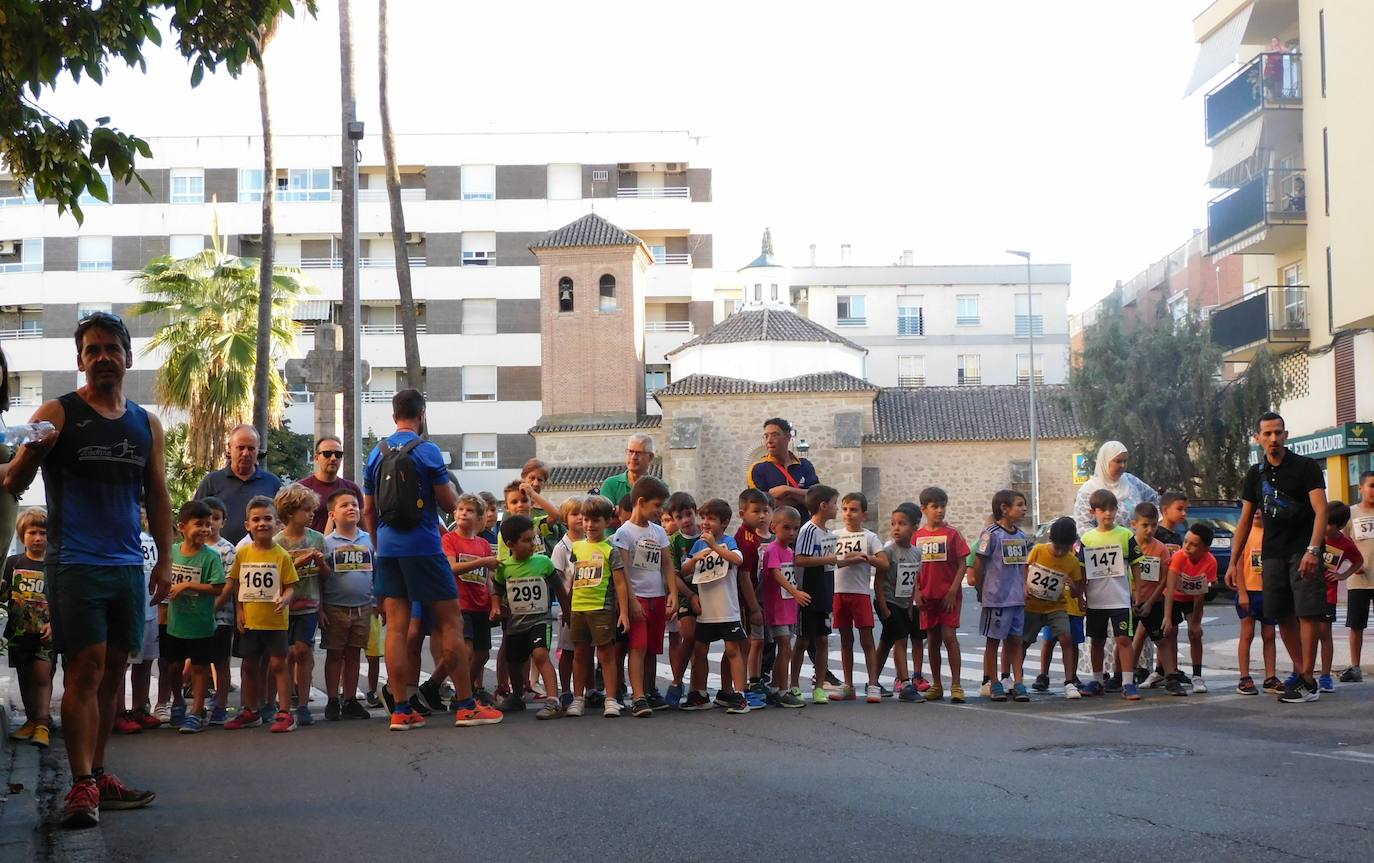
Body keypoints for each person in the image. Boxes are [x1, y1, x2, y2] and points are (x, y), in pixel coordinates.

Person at [3, 311, 171, 828]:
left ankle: (99, 776)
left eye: (111, 349)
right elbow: (13, 481)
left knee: (114, 671)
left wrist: (165, 558)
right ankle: (80, 785)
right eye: (92, 350)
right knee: (86, 668)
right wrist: (35, 449)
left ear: (127, 357)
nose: (102, 358)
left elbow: (158, 494)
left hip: (127, 565)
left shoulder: (146, 422)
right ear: (80, 360)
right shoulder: (59, 411)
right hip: (74, 563)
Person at [363, 389, 501, 729]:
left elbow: (368, 509)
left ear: (394, 415)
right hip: (425, 547)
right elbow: (447, 502)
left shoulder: (375, 454)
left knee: (395, 629)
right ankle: (467, 705)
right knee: (451, 622)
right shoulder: (427, 452)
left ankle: (400, 709)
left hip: (390, 551)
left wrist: (381, 546)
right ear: (422, 414)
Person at [1227, 412, 1329, 705]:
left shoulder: (1306, 467)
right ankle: (1301, 673)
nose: (1273, 439)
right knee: (1282, 613)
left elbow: (1321, 510)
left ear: (1286, 435)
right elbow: (1245, 519)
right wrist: (1233, 562)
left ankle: (1309, 678)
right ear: (1258, 438)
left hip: (1303, 550)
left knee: (1307, 612)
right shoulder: (1254, 473)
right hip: (1272, 553)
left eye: (1278, 433)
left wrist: (1313, 549)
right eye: (1267, 434)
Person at [223, 496, 298, 732]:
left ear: (277, 524)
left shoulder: (282, 555)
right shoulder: (243, 553)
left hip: (275, 621)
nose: (262, 524)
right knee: (249, 666)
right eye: (256, 519)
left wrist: (285, 598)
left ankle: (285, 713)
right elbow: (237, 584)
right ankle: (250, 710)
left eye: (267, 519)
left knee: (278, 665)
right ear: (248, 525)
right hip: (251, 621)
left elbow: (290, 586)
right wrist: (239, 611)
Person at [491, 514, 568, 721]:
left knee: (541, 654)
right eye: (526, 540)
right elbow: (496, 590)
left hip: (540, 620)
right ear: (510, 544)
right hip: (515, 624)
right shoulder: (504, 568)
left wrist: (568, 613)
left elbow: (560, 590)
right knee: (514, 661)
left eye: (533, 539)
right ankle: (517, 696)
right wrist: (496, 606)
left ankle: (553, 700)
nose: (533, 544)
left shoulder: (543, 563)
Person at [612, 476, 677, 717]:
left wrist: (672, 592)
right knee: (637, 647)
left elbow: (667, 563)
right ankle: (637, 696)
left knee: (652, 648)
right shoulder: (624, 533)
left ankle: (649, 689)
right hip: (638, 597)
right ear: (641, 502)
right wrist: (631, 601)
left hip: (657, 596)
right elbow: (623, 571)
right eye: (657, 506)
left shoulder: (659, 532)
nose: (660, 511)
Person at [683, 498, 752, 714]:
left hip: (727, 608)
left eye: (711, 518)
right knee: (700, 649)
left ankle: (739, 695)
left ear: (724, 522)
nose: (705, 522)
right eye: (703, 518)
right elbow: (684, 569)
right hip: (706, 610)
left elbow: (738, 560)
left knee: (732, 649)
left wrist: (714, 546)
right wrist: (695, 560)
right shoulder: (697, 544)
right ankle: (701, 694)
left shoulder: (729, 541)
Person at [162, 500, 226, 735]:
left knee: (199, 669)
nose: (206, 530)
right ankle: (178, 702)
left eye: (208, 525)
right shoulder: (173, 553)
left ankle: (197, 712)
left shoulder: (211, 557)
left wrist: (189, 584)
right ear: (182, 527)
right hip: (175, 624)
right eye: (199, 524)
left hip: (201, 625)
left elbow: (218, 587)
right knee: (174, 666)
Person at [564, 495, 630, 718]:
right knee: (580, 654)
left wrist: (624, 613)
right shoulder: (577, 547)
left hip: (602, 609)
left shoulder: (610, 549)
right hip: (578, 609)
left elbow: (620, 583)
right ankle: (578, 698)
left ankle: (611, 699)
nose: (590, 525)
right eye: (586, 520)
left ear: (607, 522)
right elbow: (573, 578)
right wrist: (567, 606)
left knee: (606, 654)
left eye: (596, 520)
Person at [271, 483, 328, 727]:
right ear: (291, 512)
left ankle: (303, 703)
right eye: (307, 510)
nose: (312, 514)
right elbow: (277, 576)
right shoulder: (277, 543)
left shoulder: (317, 539)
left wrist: (321, 564)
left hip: (310, 605)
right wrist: (304, 560)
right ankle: (283, 702)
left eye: (313, 509)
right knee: (284, 656)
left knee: (304, 652)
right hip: (283, 607)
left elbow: (326, 576)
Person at [1079, 489, 1144, 699]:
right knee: (1096, 640)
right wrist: (1081, 596)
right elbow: (1081, 570)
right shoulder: (1087, 539)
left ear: (1117, 510)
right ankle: (1097, 680)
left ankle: (1127, 681)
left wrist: (1138, 591)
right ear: (1093, 512)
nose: (1108, 513)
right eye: (1103, 510)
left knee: (1123, 639)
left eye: (1112, 509)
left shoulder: (1125, 535)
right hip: (1096, 600)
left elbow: (1135, 565)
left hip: (1120, 599)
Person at [791, 485, 852, 705]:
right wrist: (828, 560)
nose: (837, 508)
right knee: (803, 640)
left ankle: (819, 687)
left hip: (826, 591)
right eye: (835, 503)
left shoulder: (829, 534)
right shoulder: (808, 530)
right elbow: (800, 559)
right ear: (823, 505)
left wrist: (852, 558)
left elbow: (832, 562)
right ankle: (795, 684)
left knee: (823, 639)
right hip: (809, 591)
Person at [969, 490, 1031, 703]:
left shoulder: (1022, 536)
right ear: (1004, 508)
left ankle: (1018, 681)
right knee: (993, 641)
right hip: (996, 597)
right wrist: (981, 587)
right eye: (1020, 505)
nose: (1024, 509)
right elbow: (979, 562)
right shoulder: (991, 534)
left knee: (1015, 641)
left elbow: (1023, 566)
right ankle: (993, 681)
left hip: (1016, 598)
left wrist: (1024, 587)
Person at [440, 493, 500, 710]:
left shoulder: (483, 544)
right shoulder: (449, 539)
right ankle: (463, 694)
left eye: (470, 510)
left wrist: (494, 603)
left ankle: (465, 691)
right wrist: (483, 561)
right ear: (454, 513)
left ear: (479, 518)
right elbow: (452, 568)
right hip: (460, 603)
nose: (464, 513)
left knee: (482, 653)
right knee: (465, 650)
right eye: (461, 509)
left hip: (481, 604)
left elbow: (488, 579)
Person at [320, 488, 375, 720]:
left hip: (363, 607)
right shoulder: (326, 543)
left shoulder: (369, 540)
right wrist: (321, 607)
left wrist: (377, 600)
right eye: (344, 505)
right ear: (332, 515)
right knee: (335, 654)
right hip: (335, 607)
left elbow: (376, 572)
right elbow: (319, 578)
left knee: (354, 654)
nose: (351, 508)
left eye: (354, 504)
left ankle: (350, 699)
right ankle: (333, 699)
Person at [3, 508, 54, 747]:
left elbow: (63, 598)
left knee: (43, 674)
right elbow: (4, 596)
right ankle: (31, 720)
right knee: (24, 675)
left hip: (46, 632)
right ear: (22, 535)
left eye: (43, 533)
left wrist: (55, 624)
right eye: (32, 532)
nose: (38, 538)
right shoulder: (13, 563)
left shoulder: (54, 566)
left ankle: (43, 723)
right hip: (19, 631)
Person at [916, 487, 970, 703]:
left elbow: (963, 563)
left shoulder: (952, 534)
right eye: (934, 507)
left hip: (949, 596)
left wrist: (953, 590)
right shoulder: (917, 537)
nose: (939, 511)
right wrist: (916, 591)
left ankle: (956, 684)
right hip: (927, 597)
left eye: (942, 506)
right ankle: (937, 684)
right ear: (924, 509)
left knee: (949, 637)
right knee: (933, 639)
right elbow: (911, 566)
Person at [831, 492, 886, 702]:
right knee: (846, 640)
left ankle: (873, 684)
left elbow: (884, 563)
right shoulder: (835, 535)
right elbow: (828, 560)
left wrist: (867, 558)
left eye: (854, 510)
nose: (848, 514)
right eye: (845, 509)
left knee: (866, 640)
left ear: (864, 514)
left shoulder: (870, 537)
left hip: (860, 593)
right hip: (839, 592)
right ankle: (848, 685)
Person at [1023, 517, 1085, 699]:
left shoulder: (1072, 561)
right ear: (1051, 540)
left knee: (1066, 637)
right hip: (1033, 605)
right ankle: (1017, 678)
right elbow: (1025, 568)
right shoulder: (1039, 550)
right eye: (1057, 547)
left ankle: (1069, 681)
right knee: (1024, 642)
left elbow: (1076, 591)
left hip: (1056, 606)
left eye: (1064, 549)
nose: (1059, 552)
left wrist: (1072, 584)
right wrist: (1024, 586)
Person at [193, 424, 283, 546]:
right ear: (230, 448)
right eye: (240, 448)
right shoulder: (211, 482)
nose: (245, 453)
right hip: (218, 558)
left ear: (258, 450)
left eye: (251, 448)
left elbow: (283, 522)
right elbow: (193, 519)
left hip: (260, 559)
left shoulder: (272, 483)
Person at [1128, 503, 1184, 694]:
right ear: (1134, 524)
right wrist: (1132, 596)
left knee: (1161, 639)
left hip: (1152, 601)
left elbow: (1163, 579)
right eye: (1145, 525)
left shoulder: (1160, 549)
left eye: (1153, 525)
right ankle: (1124, 677)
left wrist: (1150, 602)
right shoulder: (1128, 545)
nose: (1150, 530)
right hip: (1130, 600)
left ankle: (1171, 677)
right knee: (1126, 640)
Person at [1163, 523, 1218, 695]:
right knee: (1169, 631)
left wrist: (1196, 621)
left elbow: (1200, 595)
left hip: (1192, 598)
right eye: (1186, 541)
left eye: (1193, 544)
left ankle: (1197, 675)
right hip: (1173, 597)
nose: (1187, 547)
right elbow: (1170, 588)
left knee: (1195, 634)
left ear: (1205, 549)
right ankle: (1171, 673)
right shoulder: (1179, 556)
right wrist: (1167, 617)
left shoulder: (1210, 562)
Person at [875, 502, 923, 702]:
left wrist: (911, 604)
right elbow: (878, 581)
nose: (896, 527)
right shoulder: (888, 551)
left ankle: (872, 678)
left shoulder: (916, 553)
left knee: (887, 641)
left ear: (914, 527)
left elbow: (912, 581)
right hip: (888, 601)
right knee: (900, 639)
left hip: (904, 603)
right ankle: (904, 683)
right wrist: (883, 605)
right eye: (893, 523)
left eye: (902, 524)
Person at [1229, 509, 1279, 695]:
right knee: (1247, 634)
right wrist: (1242, 593)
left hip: (1269, 592)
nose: (1258, 512)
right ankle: (1244, 677)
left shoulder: (1273, 532)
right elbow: (1239, 564)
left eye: (1261, 508)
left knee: (1269, 634)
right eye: (1254, 508)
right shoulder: (1244, 532)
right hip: (1249, 591)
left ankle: (1270, 677)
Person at [762, 506, 806, 708]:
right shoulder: (772, 550)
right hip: (776, 608)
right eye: (786, 527)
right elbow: (775, 574)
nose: (791, 532)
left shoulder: (790, 551)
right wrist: (795, 591)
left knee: (785, 649)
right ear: (774, 527)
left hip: (789, 609)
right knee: (785, 648)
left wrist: (796, 593)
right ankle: (782, 689)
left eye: (795, 528)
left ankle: (775, 686)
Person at [730, 487, 771, 706]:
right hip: (744, 601)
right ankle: (743, 688)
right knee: (745, 644)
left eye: (765, 510)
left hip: (751, 597)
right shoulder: (745, 540)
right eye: (756, 511)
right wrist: (754, 607)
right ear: (743, 513)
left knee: (757, 641)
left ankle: (753, 681)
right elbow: (744, 577)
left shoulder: (753, 537)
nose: (762, 515)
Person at [664, 491, 703, 709]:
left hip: (708, 595)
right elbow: (674, 574)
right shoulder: (673, 542)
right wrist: (690, 596)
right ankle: (677, 681)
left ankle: (696, 689)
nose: (685, 520)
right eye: (679, 517)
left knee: (701, 645)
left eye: (688, 514)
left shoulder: (706, 537)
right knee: (688, 636)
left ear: (695, 512)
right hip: (687, 595)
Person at [1318, 502, 1362, 693]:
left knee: (1325, 636)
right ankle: (1301, 673)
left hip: (1328, 595)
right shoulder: (1314, 534)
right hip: (1307, 592)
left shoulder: (1345, 544)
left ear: (1339, 526)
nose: (1323, 527)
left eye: (1327, 524)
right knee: (1306, 635)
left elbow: (1358, 560)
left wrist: (1343, 575)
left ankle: (1326, 676)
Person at [1072, 441, 1160, 534]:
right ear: (1105, 461)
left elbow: (1154, 499)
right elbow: (1083, 526)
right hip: (1106, 546)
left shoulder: (1131, 481)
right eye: (1118, 461)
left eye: (1125, 461)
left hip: (1139, 546)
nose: (1122, 465)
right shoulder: (1089, 490)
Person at [203, 497, 238, 725]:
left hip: (221, 617)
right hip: (194, 618)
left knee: (221, 662)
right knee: (198, 662)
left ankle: (221, 704)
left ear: (223, 521)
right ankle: (198, 704)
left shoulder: (227, 549)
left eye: (216, 518)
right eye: (206, 519)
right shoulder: (192, 547)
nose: (211, 524)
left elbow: (228, 585)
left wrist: (210, 609)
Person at [549, 495, 586, 709]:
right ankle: (565, 690)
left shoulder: (591, 542)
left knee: (586, 651)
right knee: (568, 650)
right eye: (575, 514)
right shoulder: (562, 547)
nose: (580, 518)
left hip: (589, 605)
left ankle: (588, 689)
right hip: (570, 607)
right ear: (565, 519)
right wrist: (566, 604)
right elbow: (557, 577)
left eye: (583, 513)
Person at [1340, 470, 1374, 682]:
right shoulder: (1350, 514)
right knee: (1356, 625)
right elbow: (1340, 543)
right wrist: (1352, 564)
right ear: (1360, 488)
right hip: (1358, 579)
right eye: (1371, 485)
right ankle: (1355, 667)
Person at [748, 418, 820, 509]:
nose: (769, 441)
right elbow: (761, 504)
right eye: (766, 436)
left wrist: (787, 490)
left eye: (774, 435)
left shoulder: (804, 465)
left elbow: (818, 498)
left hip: (803, 522)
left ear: (788, 437)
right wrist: (803, 496)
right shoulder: (757, 468)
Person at [298, 435, 362, 534]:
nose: (333, 458)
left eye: (338, 454)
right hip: (311, 547)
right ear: (316, 457)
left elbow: (364, 523)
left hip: (347, 547)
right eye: (327, 454)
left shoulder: (352, 488)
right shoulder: (301, 489)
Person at [599, 433, 657, 515]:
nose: (633, 457)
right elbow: (604, 519)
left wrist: (619, 512)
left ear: (650, 457)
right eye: (630, 451)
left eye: (638, 453)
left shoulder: (659, 488)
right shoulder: (610, 485)